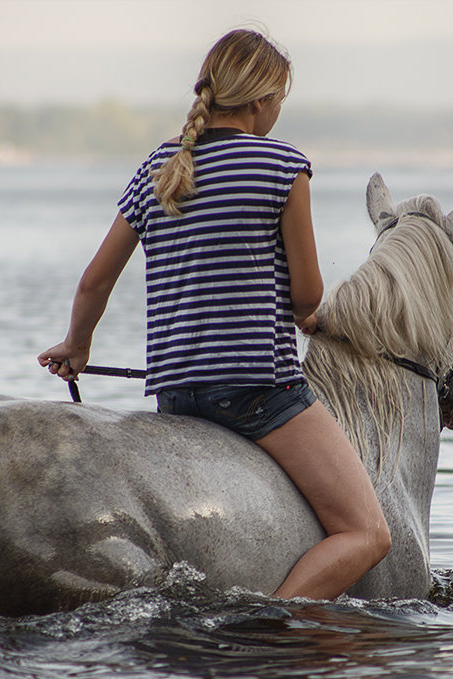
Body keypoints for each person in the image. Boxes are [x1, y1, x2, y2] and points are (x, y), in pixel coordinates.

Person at [38, 29, 390, 601]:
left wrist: (77, 346)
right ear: (258, 102)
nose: (277, 113)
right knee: (368, 532)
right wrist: (303, 311)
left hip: (176, 397)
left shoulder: (162, 164)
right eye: (278, 101)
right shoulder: (283, 166)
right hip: (259, 393)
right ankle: (274, 620)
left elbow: (94, 280)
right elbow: (307, 295)